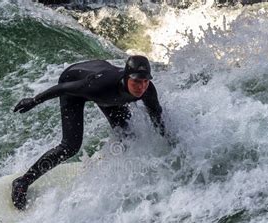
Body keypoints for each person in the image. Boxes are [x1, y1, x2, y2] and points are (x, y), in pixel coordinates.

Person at [11, 55, 165, 210]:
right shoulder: (99, 86)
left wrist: (170, 142)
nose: (141, 87)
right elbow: (62, 89)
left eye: (145, 81)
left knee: (128, 137)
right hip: (75, 80)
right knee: (70, 147)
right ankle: (22, 182)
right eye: (137, 81)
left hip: (105, 87)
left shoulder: (148, 91)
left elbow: (157, 117)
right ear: (126, 77)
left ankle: (115, 168)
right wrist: (34, 100)